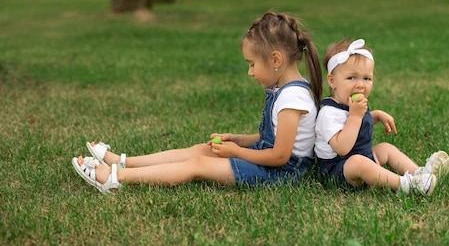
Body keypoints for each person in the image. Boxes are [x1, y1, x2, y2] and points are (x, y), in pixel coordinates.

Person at [72, 11, 323, 193]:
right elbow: (272, 139)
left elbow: (280, 156)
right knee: (201, 150)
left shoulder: (292, 98)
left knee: (198, 165)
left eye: (252, 65)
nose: (250, 73)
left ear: (276, 59)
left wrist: (236, 152)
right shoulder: (285, 89)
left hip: (281, 175)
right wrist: (237, 139)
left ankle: (115, 178)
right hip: (271, 163)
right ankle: (121, 161)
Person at [314, 38, 449, 196]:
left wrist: (375, 115)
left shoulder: (353, 106)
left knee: (385, 148)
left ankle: (420, 174)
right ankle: (406, 185)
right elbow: (342, 148)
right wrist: (356, 117)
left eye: (366, 78)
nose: (360, 85)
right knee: (358, 162)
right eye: (351, 78)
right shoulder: (328, 113)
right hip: (338, 170)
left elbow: (352, 125)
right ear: (332, 81)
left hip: (362, 158)